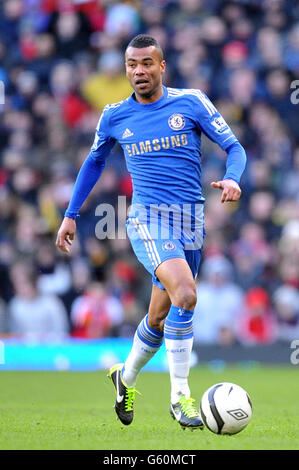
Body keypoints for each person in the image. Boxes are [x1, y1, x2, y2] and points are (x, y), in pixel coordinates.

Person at [56, 34, 246, 430]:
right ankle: (180, 398)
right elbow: (93, 164)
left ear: (162, 66)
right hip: (146, 219)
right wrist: (71, 214)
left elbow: (235, 148)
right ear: (125, 69)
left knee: (159, 319)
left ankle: (124, 380)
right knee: (187, 294)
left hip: (190, 222)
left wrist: (232, 179)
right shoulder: (114, 115)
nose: (138, 71)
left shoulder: (191, 102)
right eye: (131, 64)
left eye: (146, 63)